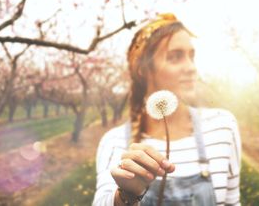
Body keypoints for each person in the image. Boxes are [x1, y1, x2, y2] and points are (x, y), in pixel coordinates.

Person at [92, 13, 242, 206]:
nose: (191, 67)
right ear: (143, 69)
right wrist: (126, 196)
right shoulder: (114, 142)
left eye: (191, 56)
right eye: (175, 57)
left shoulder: (223, 126)